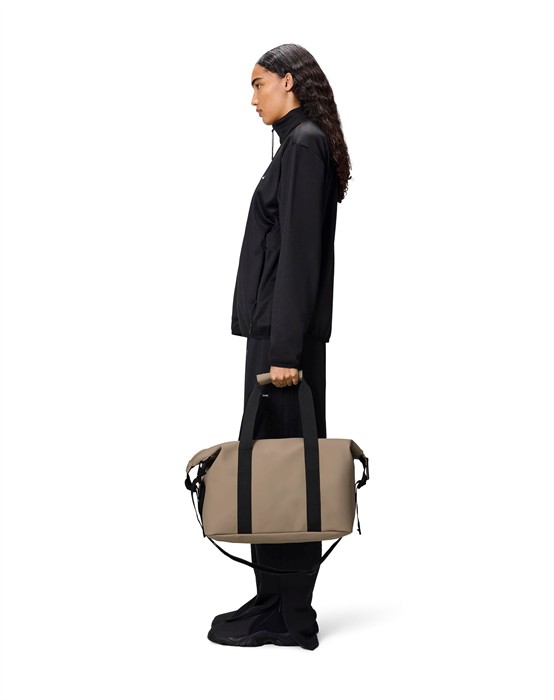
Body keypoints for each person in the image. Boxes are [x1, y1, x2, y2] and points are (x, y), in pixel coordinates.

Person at [207, 43, 351, 651]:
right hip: (275, 334)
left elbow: (299, 255)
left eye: (259, 83)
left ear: (288, 82)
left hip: (284, 343)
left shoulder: (305, 145)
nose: (252, 97)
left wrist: (286, 350)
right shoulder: (295, 146)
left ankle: (291, 613)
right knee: (271, 467)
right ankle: (271, 598)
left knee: (289, 472)